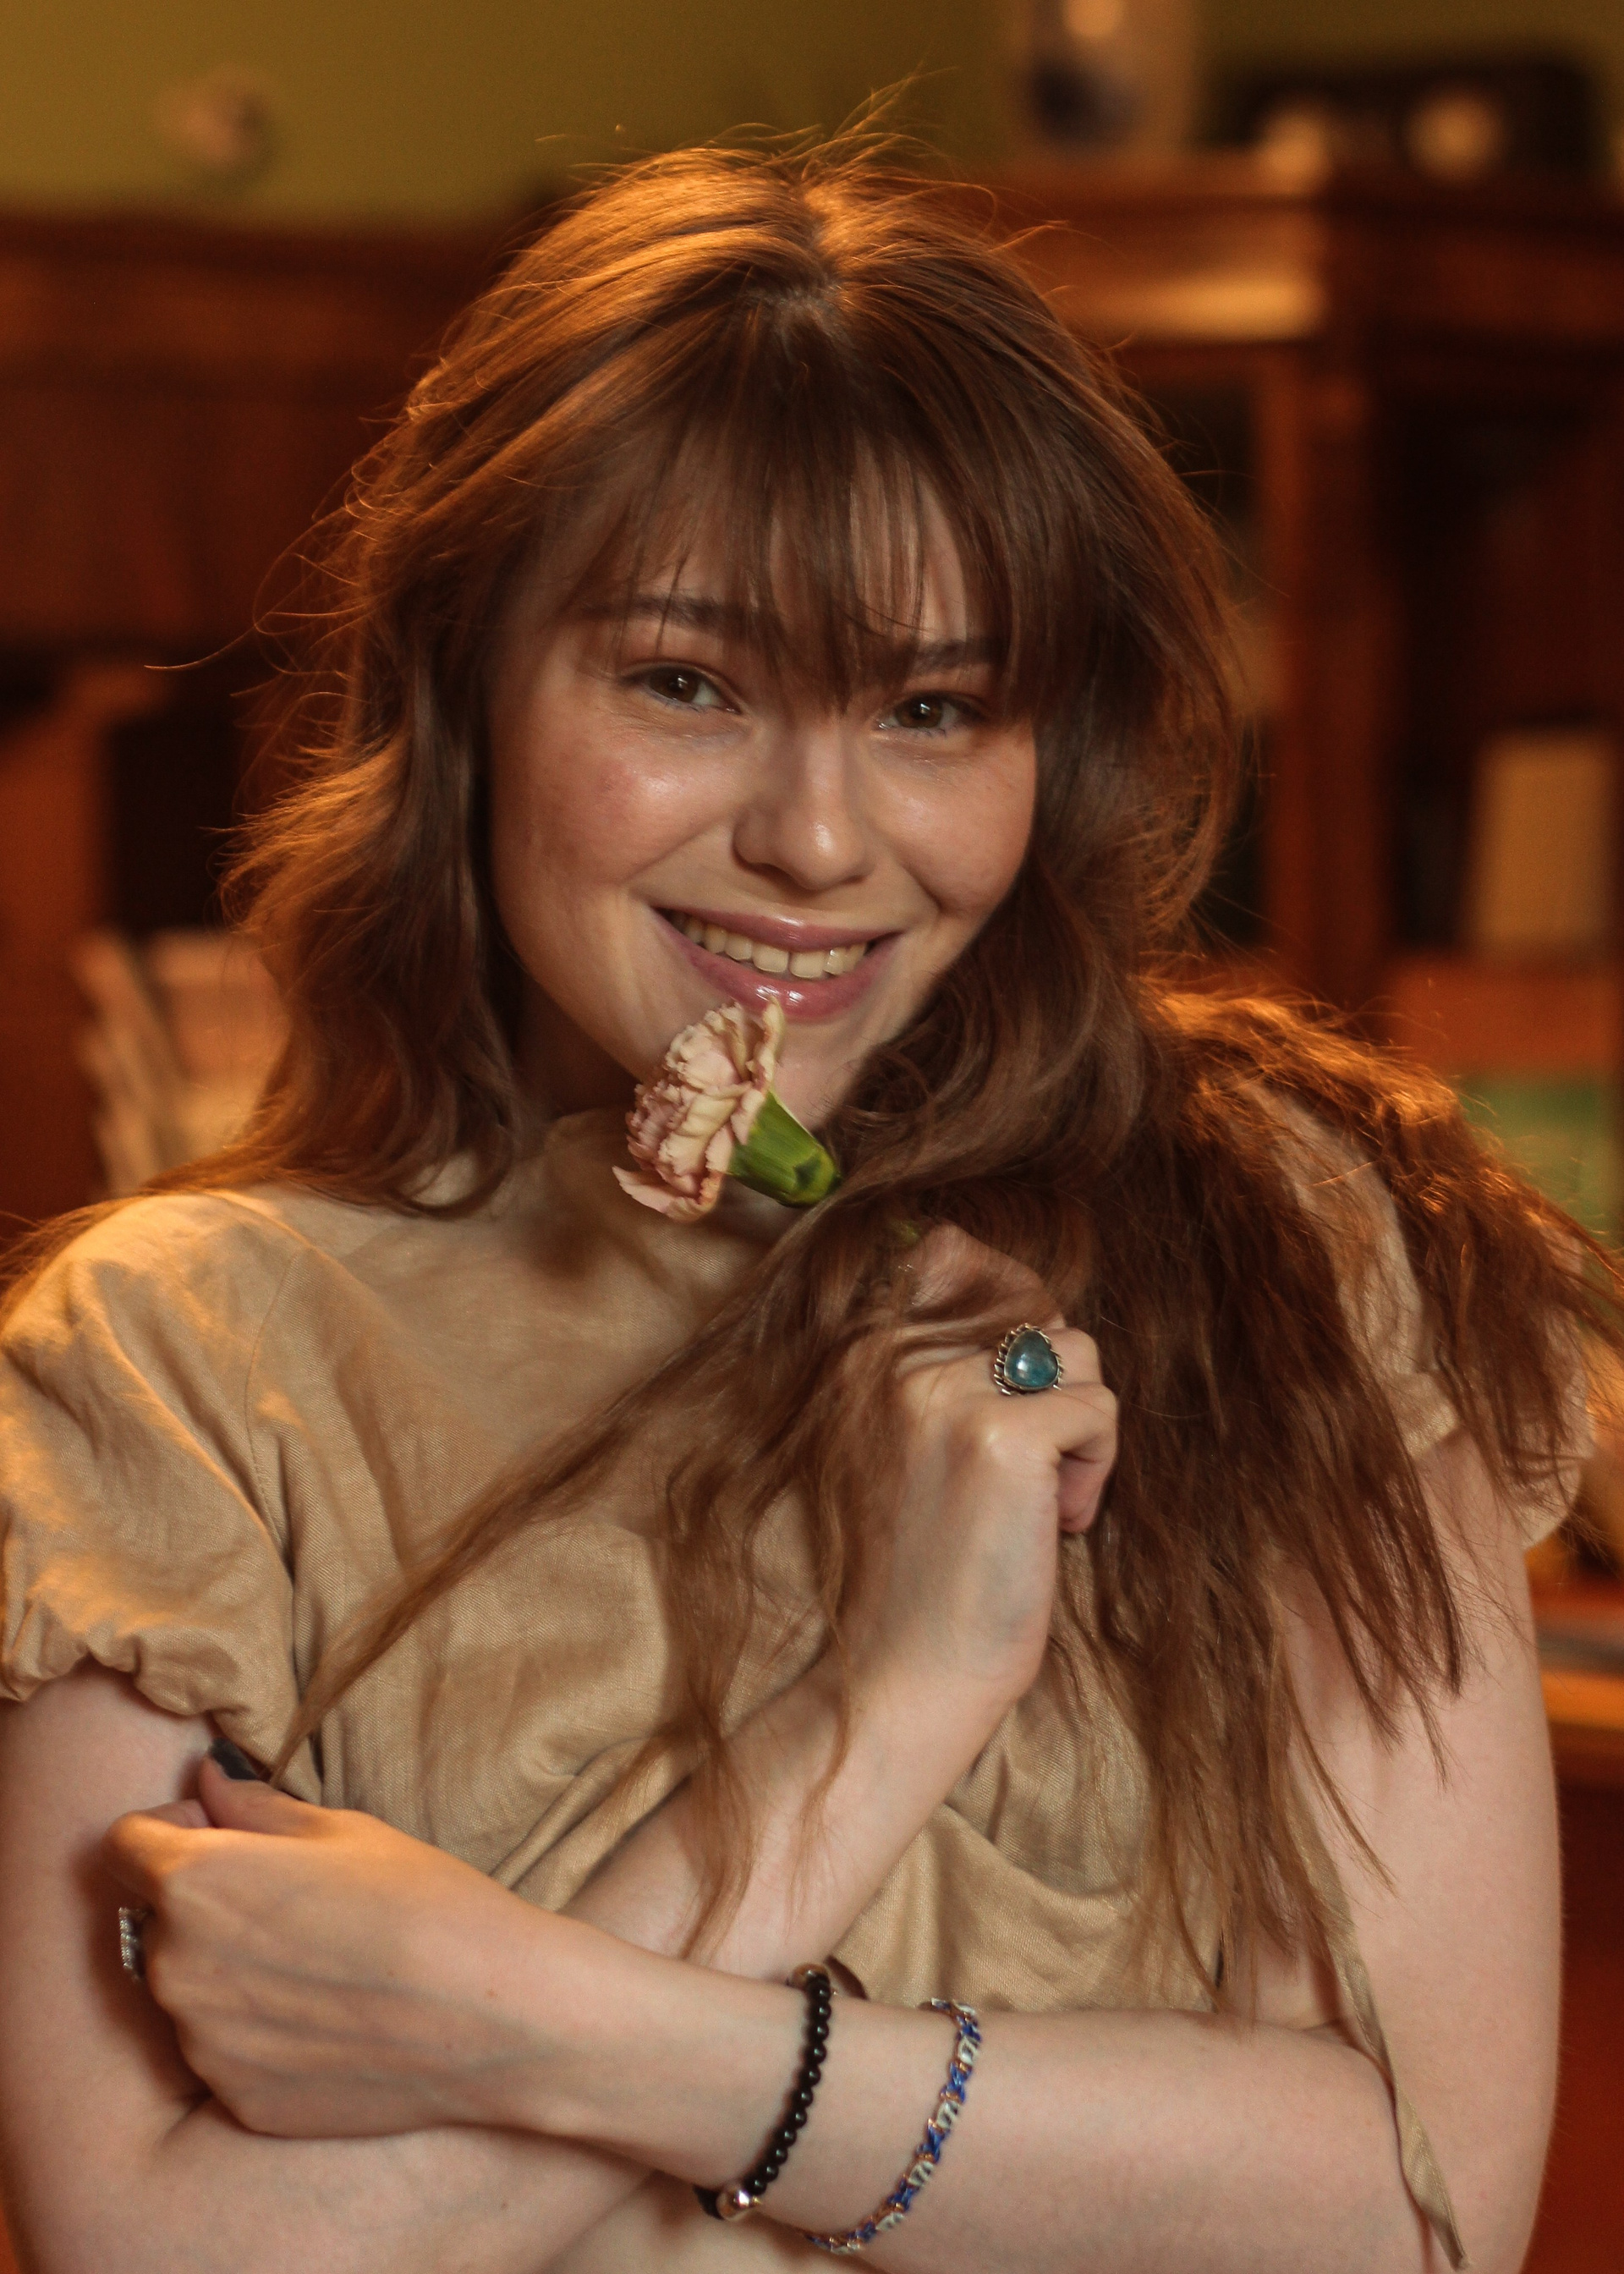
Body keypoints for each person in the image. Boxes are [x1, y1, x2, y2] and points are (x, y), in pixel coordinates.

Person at [0, 138, 1604, 2274]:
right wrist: (887, 1705)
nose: (822, 842)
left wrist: (537, 2022)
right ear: (466, 679)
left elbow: (1412, 2220)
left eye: (933, 709)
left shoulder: (1282, 1238)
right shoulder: (175, 1366)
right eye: (689, 682)